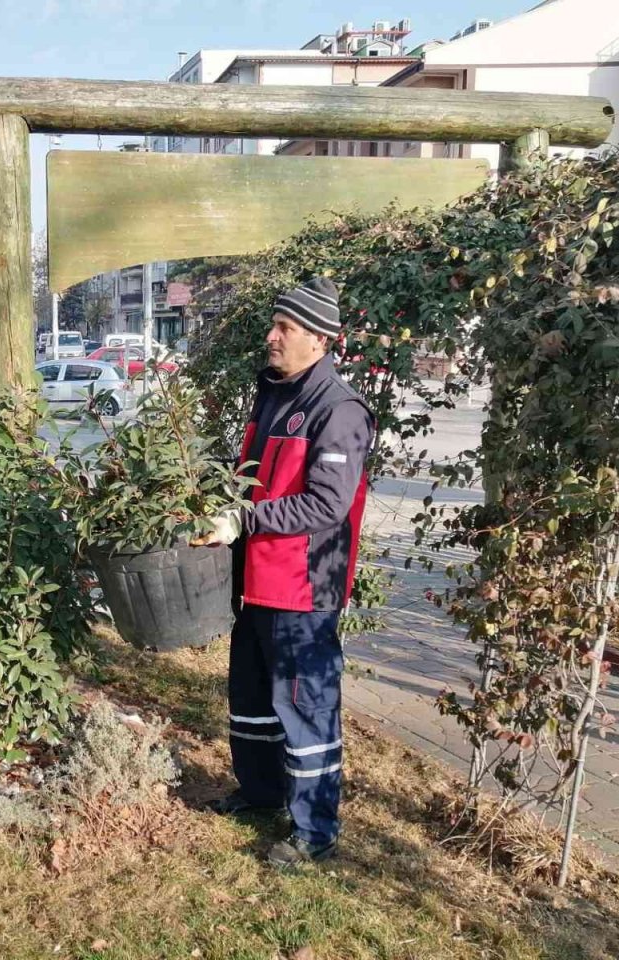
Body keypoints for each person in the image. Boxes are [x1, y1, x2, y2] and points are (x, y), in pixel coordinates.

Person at [201, 277, 375, 866]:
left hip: (303, 591)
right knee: (250, 699)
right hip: (255, 583)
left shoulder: (339, 411)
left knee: (305, 707)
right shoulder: (273, 393)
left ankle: (315, 830)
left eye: (287, 329)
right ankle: (260, 794)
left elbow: (326, 504)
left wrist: (243, 518)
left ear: (320, 341)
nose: (272, 336)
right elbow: (251, 474)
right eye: (275, 325)